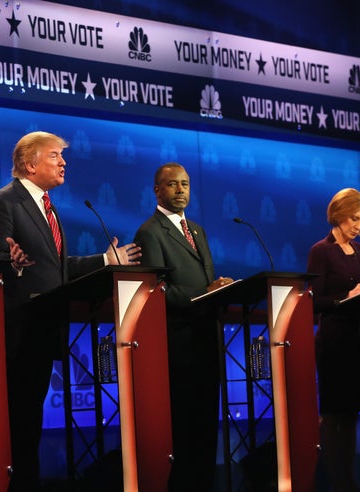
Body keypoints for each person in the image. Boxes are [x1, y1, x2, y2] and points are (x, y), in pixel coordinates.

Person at [0, 130, 141, 491]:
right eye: (55, 156)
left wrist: (104, 260)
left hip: (43, 330)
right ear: (30, 164)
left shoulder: (47, 206)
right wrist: (11, 262)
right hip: (17, 333)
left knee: (30, 424)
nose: (63, 162)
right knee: (18, 426)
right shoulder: (3, 202)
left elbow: (55, 267)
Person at [133, 162, 232, 492]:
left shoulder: (198, 230)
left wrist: (217, 287)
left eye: (185, 184)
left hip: (207, 342)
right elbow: (156, 291)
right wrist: (204, 293)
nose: (180, 190)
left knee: (206, 429)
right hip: (178, 346)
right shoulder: (149, 232)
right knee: (185, 431)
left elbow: (206, 283)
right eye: (172, 184)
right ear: (157, 190)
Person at [306, 188, 360, 492]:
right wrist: (347, 296)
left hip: (357, 341)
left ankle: (348, 479)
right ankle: (337, 482)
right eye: (354, 218)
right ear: (339, 214)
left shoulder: (359, 251)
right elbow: (314, 300)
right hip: (334, 343)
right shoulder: (322, 250)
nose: (359, 226)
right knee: (334, 415)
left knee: (350, 415)